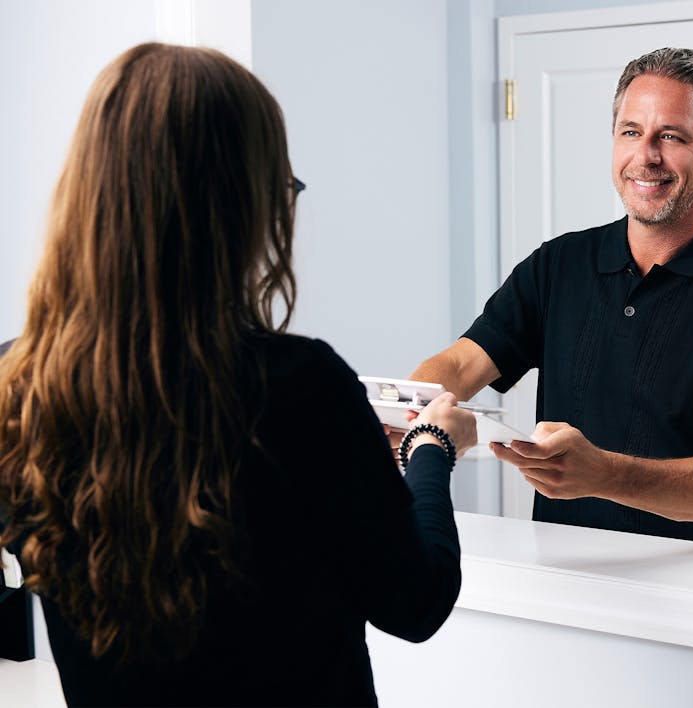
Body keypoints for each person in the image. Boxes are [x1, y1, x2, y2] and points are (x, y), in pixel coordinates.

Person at [0, 42, 476, 707]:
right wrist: (433, 448)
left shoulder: (19, 386)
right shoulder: (299, 385)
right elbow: (416, 602)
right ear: (237, 205)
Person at [410, 47, 693, 550]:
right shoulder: (557, 265)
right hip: (566, 576)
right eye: (631, 131)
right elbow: (461, 366)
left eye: (672, 136)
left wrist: (605, 475)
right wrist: (396, 414)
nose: (646, 157)